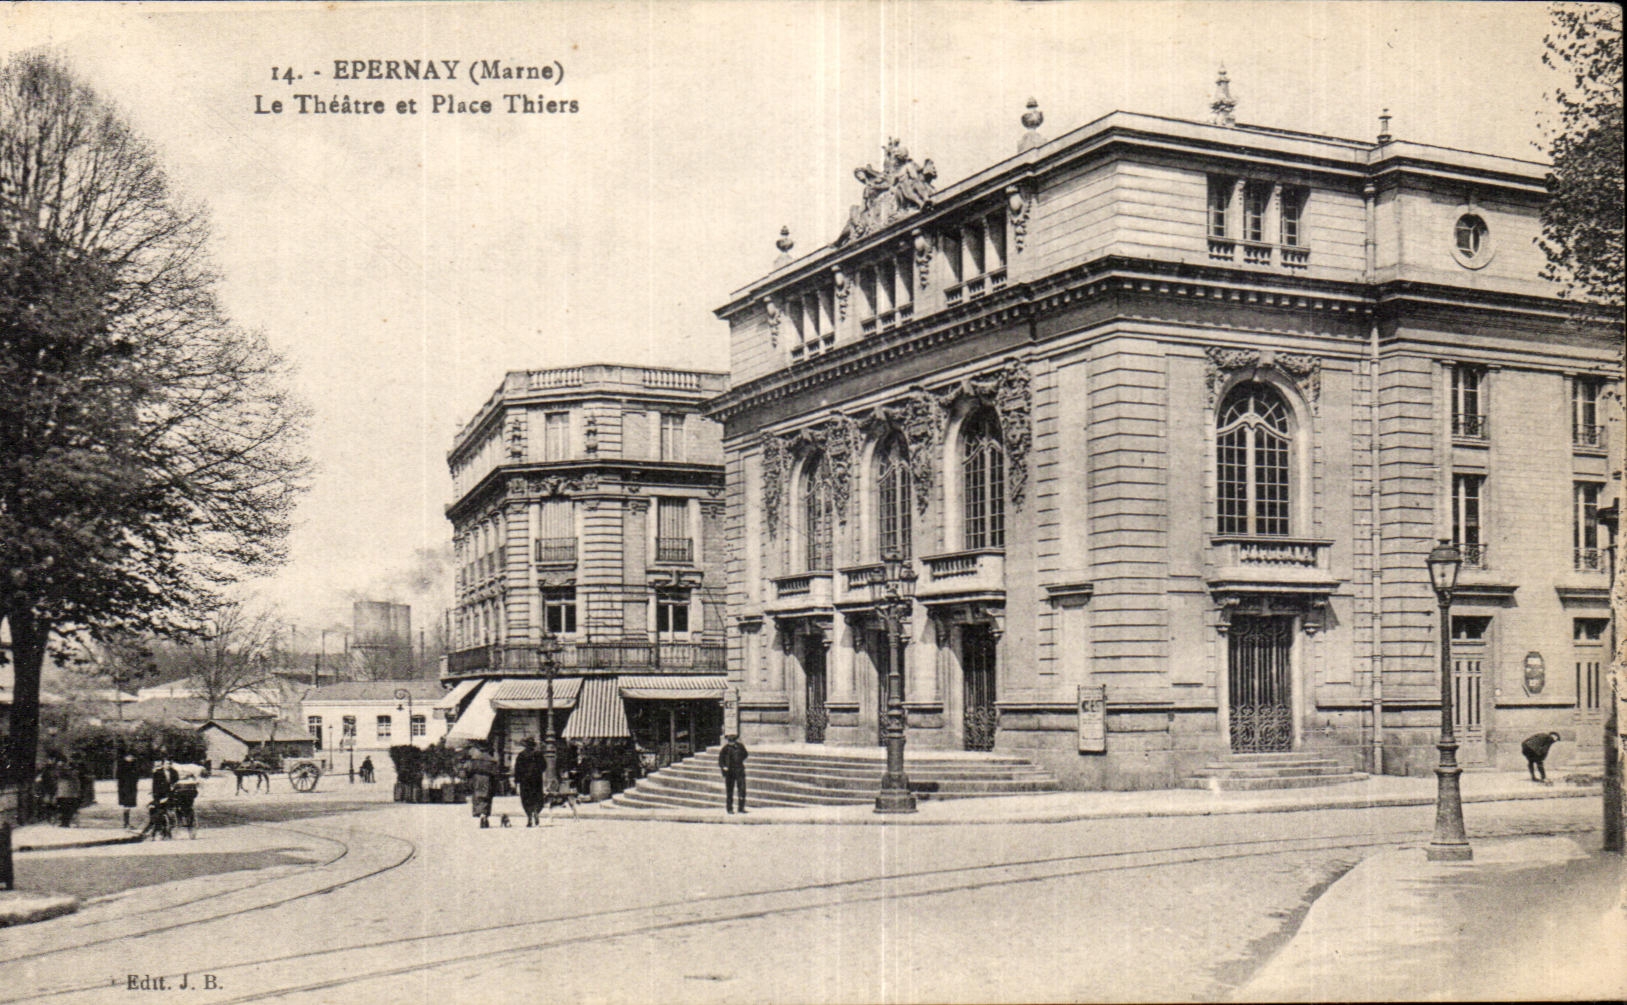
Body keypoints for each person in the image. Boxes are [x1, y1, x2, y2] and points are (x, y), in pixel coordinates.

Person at [464, 744, 501, 828]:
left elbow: (468, 770)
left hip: (476, 779)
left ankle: (480, 814)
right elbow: (496, 771)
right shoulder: (492, 757)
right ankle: (485, 815)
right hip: (488, 779)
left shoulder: (474, 756)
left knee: (477, 797)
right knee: (487, 797)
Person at [513, 737, 545, 827]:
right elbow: (544, 766)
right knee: (537, 797)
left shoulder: (521, 755)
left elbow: (517, 769)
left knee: (526, 798)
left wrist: (516, 781)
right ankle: (536, 811)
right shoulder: (538, 754)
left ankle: (529, 817)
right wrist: (537, 772)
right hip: (536, 780)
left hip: (525, 781)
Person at [718, 734, 748, 814]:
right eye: (729, 741)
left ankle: (741, 808)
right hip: (729, 772)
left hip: (739, 770)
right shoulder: (725, 749)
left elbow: (745, 754)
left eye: (732, 741)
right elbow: (720, 760)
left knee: (742, 789)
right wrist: (724, 767)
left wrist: (739, 760)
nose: (731, 743)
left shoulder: (740, 746)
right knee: (730, 791)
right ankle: (729, 808)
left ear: (735, 741)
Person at [116, 752, 144, 829]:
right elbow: (120, 778)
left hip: (131, 788)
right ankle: (126, 823)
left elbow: (137, 775)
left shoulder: (133, 765)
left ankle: (127, 823)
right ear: (126, 757)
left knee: (128, 806)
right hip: (125, 789)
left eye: (132, 756)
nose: (131, 758)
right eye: (129, 757)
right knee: (127, 806)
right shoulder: (123, 766)